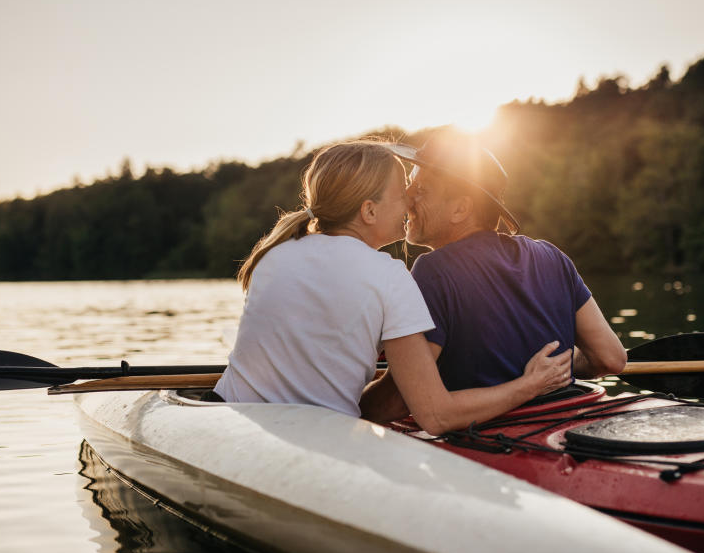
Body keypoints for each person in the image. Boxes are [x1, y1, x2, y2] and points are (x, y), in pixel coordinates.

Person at [214, 139, 572, 435]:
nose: (412, 200)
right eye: (403, 192)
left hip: (226, 415)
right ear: (369, 211)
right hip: (316, 441)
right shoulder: (389, 275)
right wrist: (530, 385)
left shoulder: (275, 253)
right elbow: (436, 414)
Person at [359, 131, 626, 422]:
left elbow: (395, 403)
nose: (407, 197)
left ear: (460, 209)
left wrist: (343, 402)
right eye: (410, 184)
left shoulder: (432, 271)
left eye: (421, 189)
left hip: (494, 443)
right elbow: (611, 357)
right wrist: (563, 364)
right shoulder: (551, 255)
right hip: (565, 426)